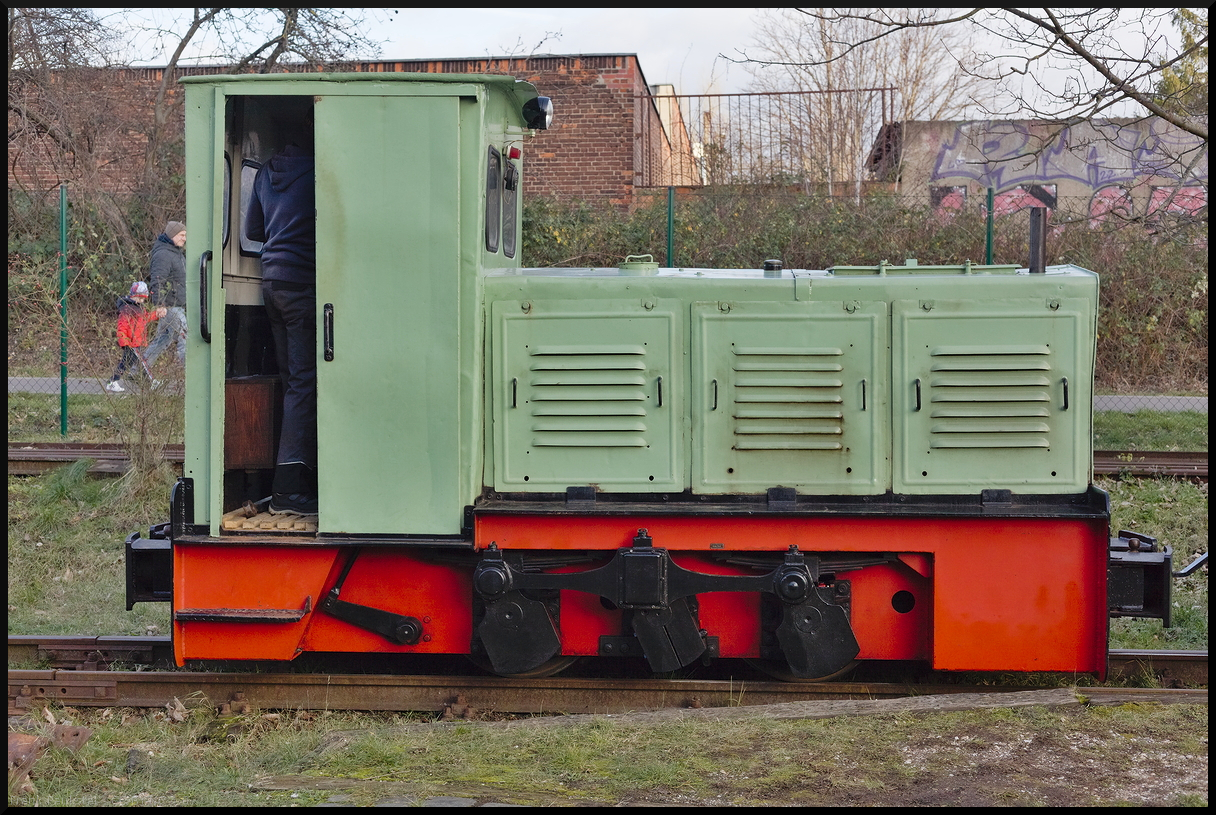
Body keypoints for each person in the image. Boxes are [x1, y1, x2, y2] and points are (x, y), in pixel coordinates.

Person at [245, 135, 318, 517]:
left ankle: (291, 481)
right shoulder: (319, 170)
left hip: (271, 283)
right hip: (303, 284)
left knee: (294, 383)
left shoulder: (264, 174)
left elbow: (254, 230)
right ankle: (290, 489)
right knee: (305, 384)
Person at [105, 281, 165, 393]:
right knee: (136, 363)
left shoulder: (139, 308)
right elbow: (122, 326)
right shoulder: (127, 309)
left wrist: (155, 314)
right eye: (140, 299)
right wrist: (124, 341)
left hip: (137, 341)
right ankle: (150, 381)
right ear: (134, 296)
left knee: (133, 363)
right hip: (130, 342)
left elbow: (145, 319)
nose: (142, 301)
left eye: (143, 299)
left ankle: (114, 381)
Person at [143, 220, 188, 368]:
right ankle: (190, 375)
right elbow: (157, 280)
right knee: (185, 338)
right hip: (170, 305)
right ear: (172, 235)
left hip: (175, 304)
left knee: (164, 338)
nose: (184, 238)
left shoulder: (175, 253)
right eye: (181, 235)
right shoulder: (163, 255)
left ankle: (139, 369)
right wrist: (160, 304)